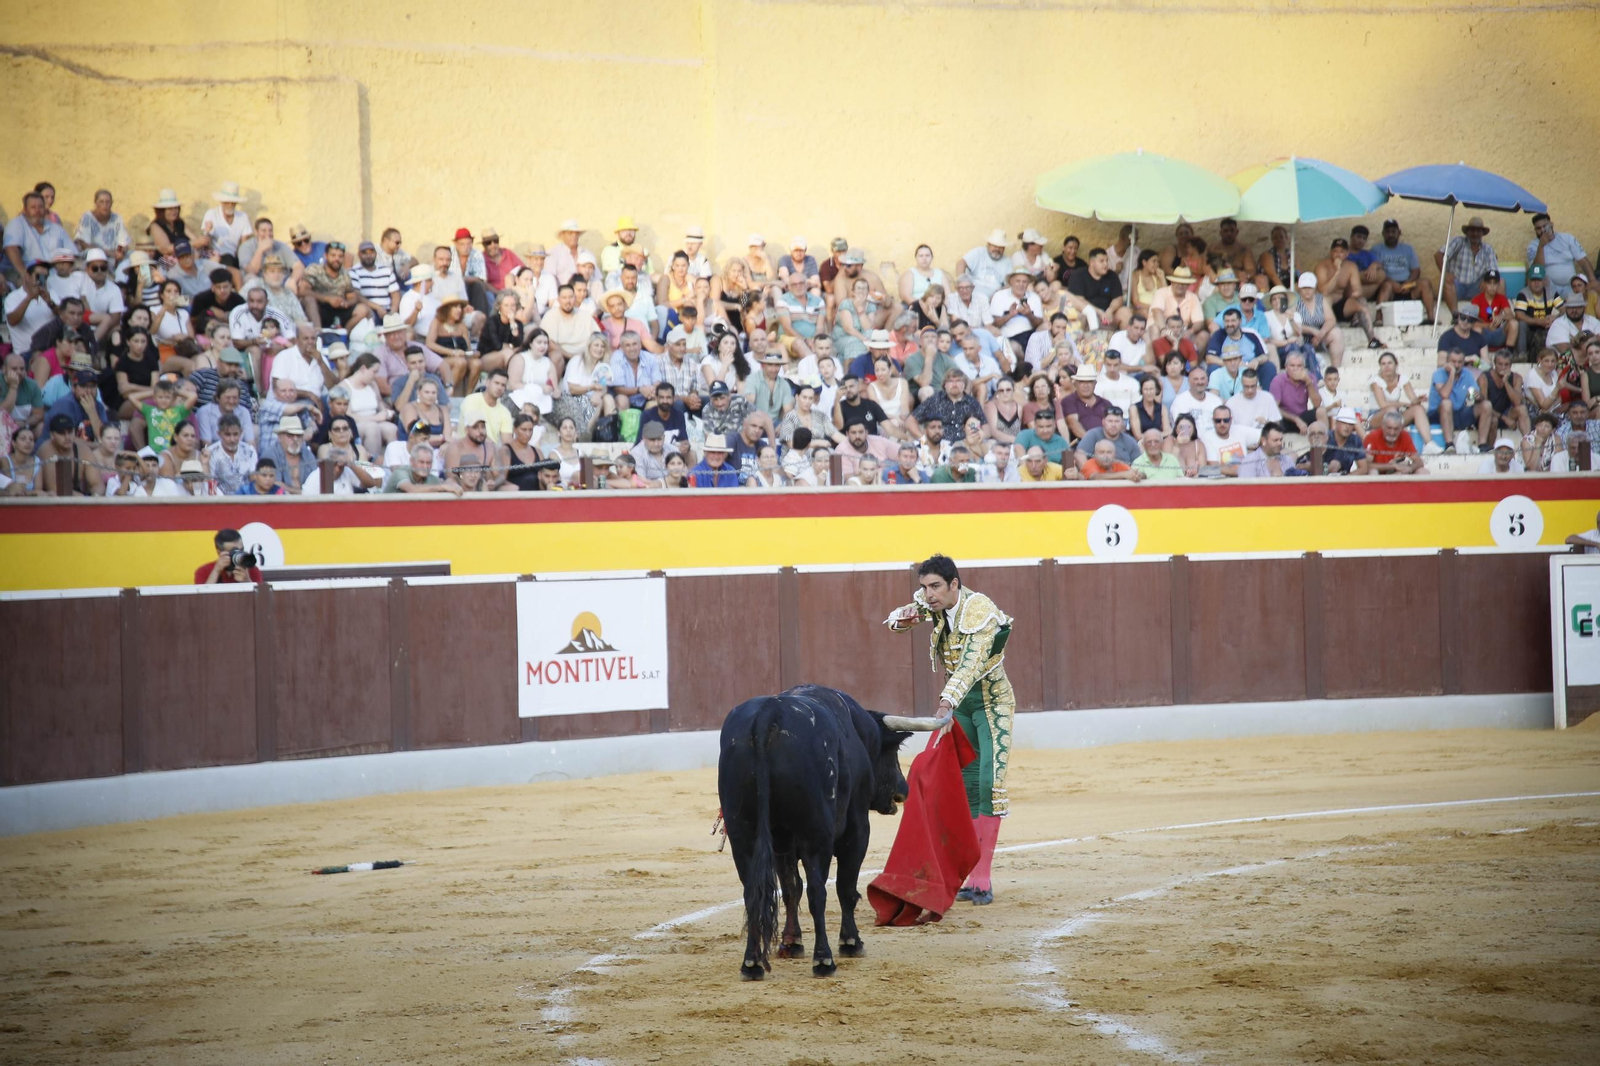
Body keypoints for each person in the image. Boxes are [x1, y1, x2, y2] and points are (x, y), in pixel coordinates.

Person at [885, 555, 1014, 905]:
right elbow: (895, 621)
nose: (928, 595)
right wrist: (902, 619)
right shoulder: (934, 602)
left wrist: (944, 705)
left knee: (990, 784)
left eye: (935, 587)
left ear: (954, 584)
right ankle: (969, 874)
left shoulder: (980, 611)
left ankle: (982, 879)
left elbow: (971, 666)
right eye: (924, 587)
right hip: (961, 707)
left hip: (991, 704)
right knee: (969, 787)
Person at [1372, 219, 1433, 321]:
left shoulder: (1408, 249)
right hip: (1389, 287)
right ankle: (1379, 318)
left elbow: (1416, 270)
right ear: (1383, 234)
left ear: (1399, 233)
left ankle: (1431, 317)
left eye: (1393, 231)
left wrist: (1408, 283)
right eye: (1387, 232)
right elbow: (1378, 273)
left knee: (1425, 283)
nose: (1391, 234)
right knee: (1386, 286)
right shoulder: (1376, 250)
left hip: (1408, 286)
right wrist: (1393, 283)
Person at [1525, 213, 1593, 294]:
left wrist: (1592, 280)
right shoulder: (1533, 246)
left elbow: (1583, 261)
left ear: (1551, 225)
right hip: (1549, 287)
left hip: (1571, 286)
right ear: (1535, 230)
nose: (1542, 230)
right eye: (1539, 228)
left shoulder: (1567, 238)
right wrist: (1541, 246)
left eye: (1545, 226)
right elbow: (1537, 269)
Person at [1364, 410, 1430, 476]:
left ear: (1401, 428)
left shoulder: (1405, 435)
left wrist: (1409, 468)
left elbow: (1419, 461)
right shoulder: (1372, 437)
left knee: (1422, 471)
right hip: (1379, 474)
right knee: (1373, 472)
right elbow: (1365, 465)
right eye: (1389, 428)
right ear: (1382, 426)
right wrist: (1392, 466)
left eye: (1396, 429)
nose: (1392, 432)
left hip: (1396, 473)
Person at [384, 444, 464, 495]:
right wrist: (442, 487)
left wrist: (451, 484)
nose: (425, 466)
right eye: (421, 462)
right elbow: (412, 489)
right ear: (412, 461)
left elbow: (445, 485)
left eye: (428, 463)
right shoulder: (400, 472)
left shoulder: (432, 479)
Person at [195, 528, 264, 585]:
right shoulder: (204, 571)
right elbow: (202, 598)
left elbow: (260, 598)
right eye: (233, 551)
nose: (238, 554)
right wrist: (216, 571)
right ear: (219, 552)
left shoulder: (252, 569)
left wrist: (247, 581)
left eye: (241, 550)